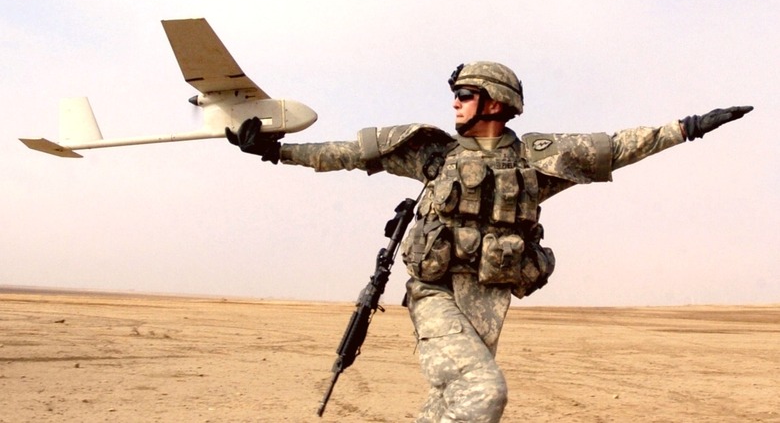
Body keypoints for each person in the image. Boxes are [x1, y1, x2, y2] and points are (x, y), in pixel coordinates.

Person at [226, 61, 752, 422]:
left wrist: (689, 127)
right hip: (434, 293)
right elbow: (344, 154)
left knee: (449, 398)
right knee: (485, 391)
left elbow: (616, 147)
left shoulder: (535, 163)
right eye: (455, 96)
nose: (455, 104)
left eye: (465, 95)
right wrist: (275, 151)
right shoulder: (431, 155)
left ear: (495, 103)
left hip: (490, 298)